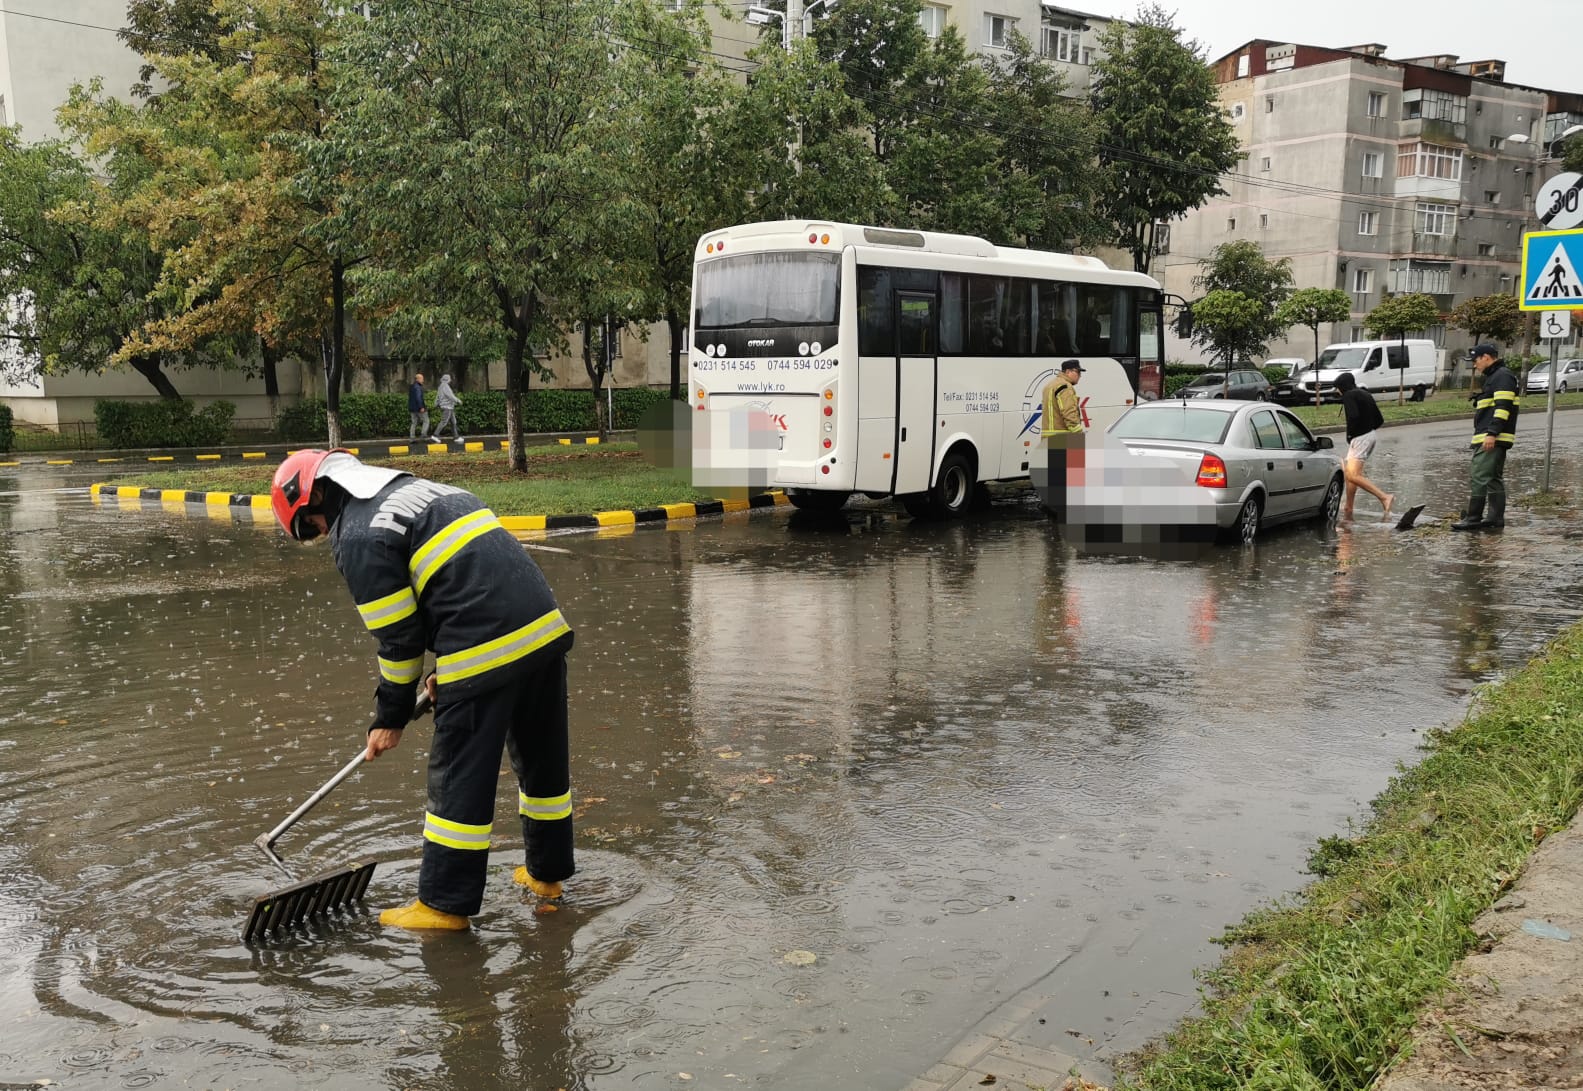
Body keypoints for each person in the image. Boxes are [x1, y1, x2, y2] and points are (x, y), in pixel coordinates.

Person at [270, 449, 576, 930]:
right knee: (542, 763)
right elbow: (464, 584)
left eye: (313, 527)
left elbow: (399, 641)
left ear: (315, 499)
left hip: (483, 645)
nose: (322, 534)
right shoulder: (432, 493)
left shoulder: (359, 534)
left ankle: (442, 906)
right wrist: (444, 667)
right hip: (543, 631)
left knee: (458, 773)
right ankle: (547, 876)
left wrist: (389, 718)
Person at [1451, 343, 1519, 531]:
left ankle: (1473, 518)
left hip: (1492, 437)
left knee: (1479, 475)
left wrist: (1492, 433)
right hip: (1494, 436)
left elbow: (1503, 407)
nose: (1475, 365)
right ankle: (1494, 519)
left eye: (1476, 360)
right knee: (1492, 478)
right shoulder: (1497, 376)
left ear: (1486, 357)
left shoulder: (1502, 376)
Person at [1331, 372, 1392, 521]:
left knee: (1351, 475)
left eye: (1338, 388)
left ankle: (1384, 497)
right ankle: (1349, 507)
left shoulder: (1349, 396)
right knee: (1352, 474)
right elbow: (1380, 419)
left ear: (1343, 387)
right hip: (1370, 436)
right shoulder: (1365, 394)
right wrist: (1368, 429)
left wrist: (1351, 435)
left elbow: (1353, 416)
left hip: (1360, 438)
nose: (1337, 391)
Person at [1040, 360, 1085, 437]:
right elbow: (1069, 411)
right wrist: (1078, 433)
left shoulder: (1049, 385)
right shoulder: (1065, 386)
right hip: (1062, 437)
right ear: (1068, 372)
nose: (1080, 376)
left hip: (1048, 436)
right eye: (1078, 372)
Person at [431, 374, 464, 444]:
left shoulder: (440, 386)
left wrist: (436, 403)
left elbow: (438, 396)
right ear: (447, 379)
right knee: (444, 422)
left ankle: (456, 437)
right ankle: (435, 435)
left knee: (453, 422)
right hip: (447, 407)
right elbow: (450, 396)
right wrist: (458, 400)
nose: (450, 380)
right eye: (449, 379)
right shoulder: (445, 386)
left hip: (448, 407)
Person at [408, 373, 429, 441]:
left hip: (412, 408)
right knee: (426, 421)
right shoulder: (418, 387)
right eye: (422, 379)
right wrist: (421, 407)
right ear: (418, 379)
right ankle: (423, 435)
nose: (423, 380)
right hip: (418, 408)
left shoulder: (412, 386)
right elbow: (418, 398)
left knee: (414, 423)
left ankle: (412, 438)